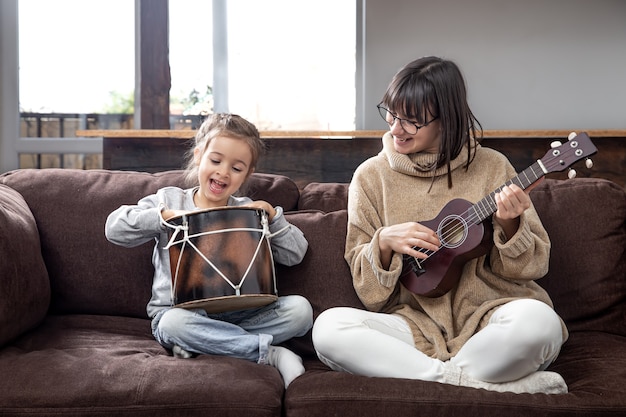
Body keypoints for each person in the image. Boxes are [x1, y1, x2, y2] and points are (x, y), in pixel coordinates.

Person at [312, 56, 568, 394]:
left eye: (412, 121)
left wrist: (509, 226)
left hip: (490, 322)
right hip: (414, 327)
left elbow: (533, 267)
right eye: (391, 112)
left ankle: (433, 379)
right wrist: (383, 243)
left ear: (445, 121)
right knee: (329, 328)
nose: (395, 127)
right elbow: (371, 297)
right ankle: (486, 387)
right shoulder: (371, 177)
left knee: (540, 324)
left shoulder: (493, 167)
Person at [105, 113, 313, 388]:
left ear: (247, 175)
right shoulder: (169, 200)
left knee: (301, 311)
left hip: (240, 312)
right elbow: (114, 228)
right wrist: (163, 216)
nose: (223, 172)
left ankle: (209, 342)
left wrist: (273, 217)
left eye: (237, 168)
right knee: (173, 326)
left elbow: (295, 254)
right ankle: (268, 353)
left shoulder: (248, 210)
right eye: (215, 161)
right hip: (179, 313)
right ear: (199, 155)